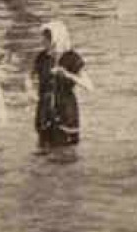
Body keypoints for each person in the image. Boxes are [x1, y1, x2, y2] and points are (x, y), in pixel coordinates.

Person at [31, 21, 94, 150]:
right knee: (42, 150)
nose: (43, 40)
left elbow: (89, 86)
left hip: (66, 110)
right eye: (43, 36)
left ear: (57, 38)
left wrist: (68, 75)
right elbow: (29, 77)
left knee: (67, 152)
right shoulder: (42, 57)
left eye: (47, 37)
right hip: (44, 110)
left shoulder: (72, 58)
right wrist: (30, 92)